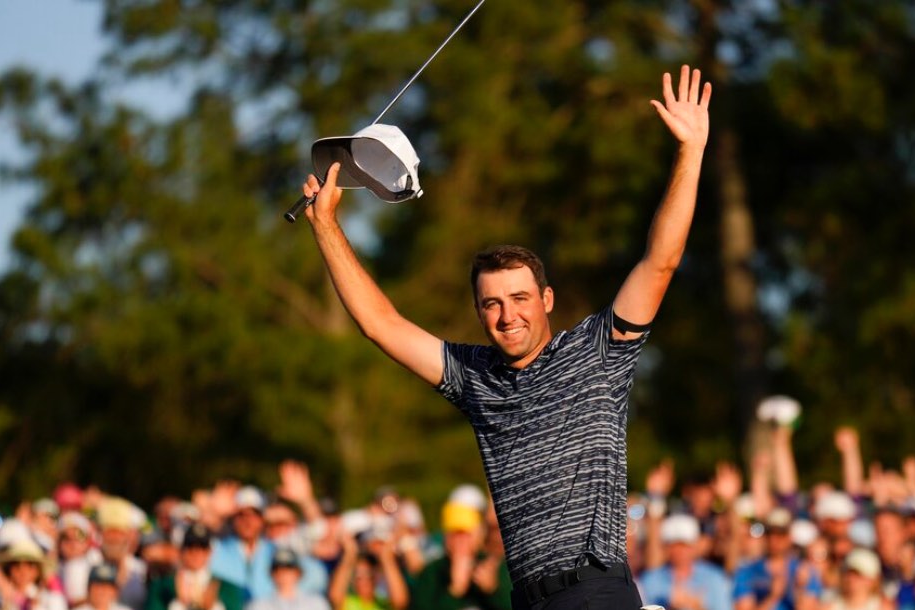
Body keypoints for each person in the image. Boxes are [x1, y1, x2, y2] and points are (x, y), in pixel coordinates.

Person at [299, 64, 712, 610]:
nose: (507, 315)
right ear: (477, 312)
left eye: (519, 298)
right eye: (491, 303)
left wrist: (690, 150)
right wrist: (327, 225)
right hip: (526, 599)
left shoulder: (597, 352)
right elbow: (381, 325)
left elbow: (660, 262)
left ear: (546, 299)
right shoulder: (474, 377)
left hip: (596, 591)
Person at [409, 501, 510, 610]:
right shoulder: (432, 572)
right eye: (455, 534)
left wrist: (492, 591)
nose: (461, 541)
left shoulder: (495, 567)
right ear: (446, 538)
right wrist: (455, 591)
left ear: (478, 537)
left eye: (467, 534)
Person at [638, 514, 732, 610]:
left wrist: (698, 607)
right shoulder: (651, 579)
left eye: (684, 545)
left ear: (695, 546)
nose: (680, 551)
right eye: (674, 545)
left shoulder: (714, 578)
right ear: (666, 548)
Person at [145, 523, 241, 610]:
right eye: (190, 547)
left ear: (210, 552)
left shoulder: (227, 588)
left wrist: (212, 607)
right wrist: (179, 604)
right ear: (181, 550)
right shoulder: (161, 586)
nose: (196, 553)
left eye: (202, 547)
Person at [246, 549, 330, 610]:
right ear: (272, 574)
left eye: (289, 569)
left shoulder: (316, 604)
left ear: (298, 573)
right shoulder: (258, 606)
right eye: (278, 570)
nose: (284, 574)